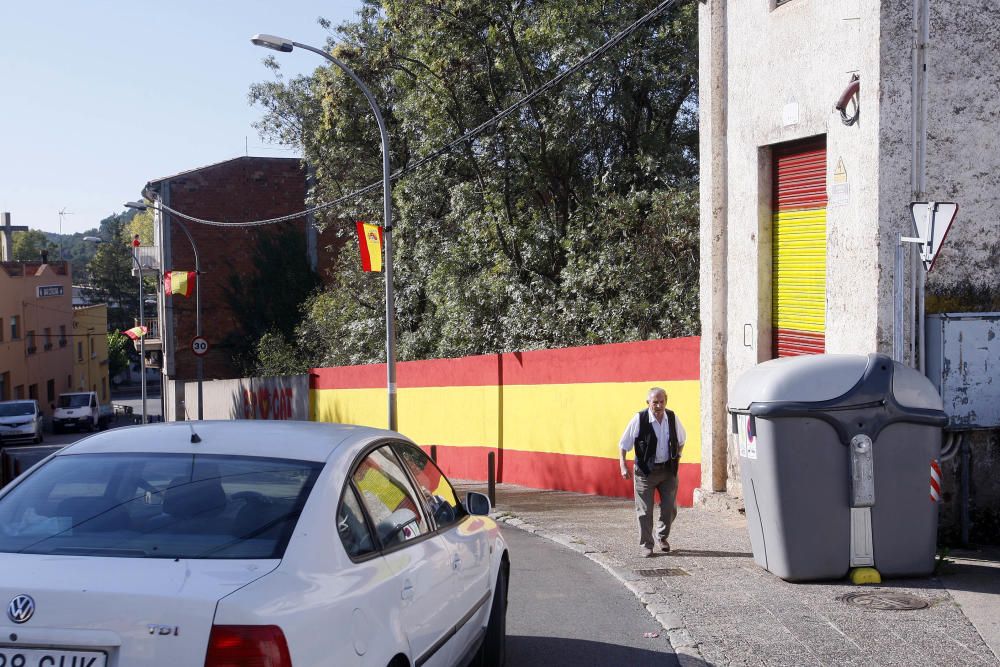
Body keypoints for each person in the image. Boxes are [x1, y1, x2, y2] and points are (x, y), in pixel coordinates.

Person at [618, 387, 687, 558]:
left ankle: (661, 536)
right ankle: (647, 545)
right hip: (644, 472)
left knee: (670, 508)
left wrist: (676, 456)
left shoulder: (672, 417)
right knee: (644, 510)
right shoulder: (639, 418)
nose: (658, 405)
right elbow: (623, 444)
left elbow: (682, 439)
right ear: (648, 403)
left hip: (667, 470)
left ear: (666, 401)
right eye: (655, 402)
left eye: (661, 401)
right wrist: (623, 466)